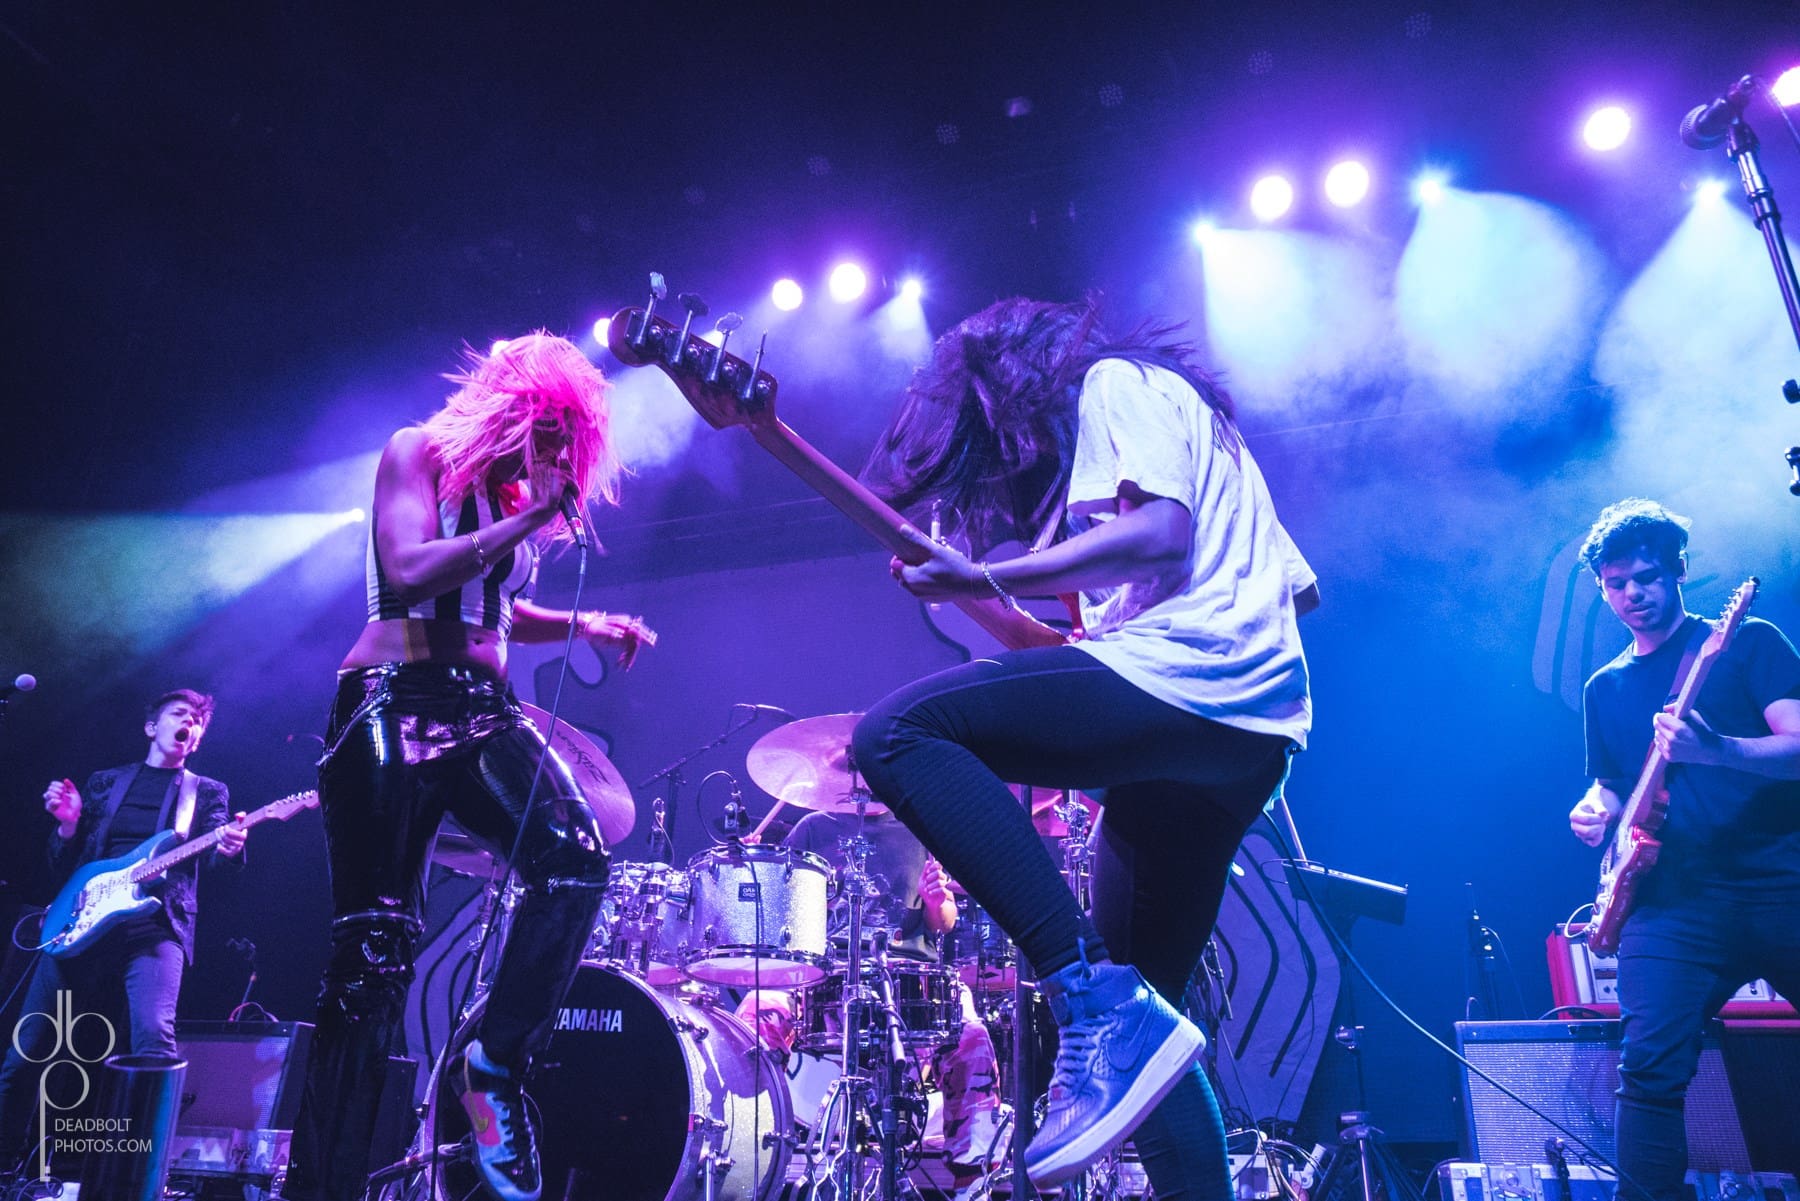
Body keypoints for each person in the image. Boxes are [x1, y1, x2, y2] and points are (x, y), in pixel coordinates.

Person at [849, 297, 1316, 1196]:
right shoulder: (1201, 440)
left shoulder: (1119, 380)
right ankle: (1117, 1013)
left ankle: (1084, 991)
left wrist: (985, 572)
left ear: (1012, 387)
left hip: (1193, 686)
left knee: (897, 733)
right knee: (1153, 1040)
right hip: (1241, 735)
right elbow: (1294, 591)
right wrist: (974, 592)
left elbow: (1161, 539)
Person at [282, 333, 657, 1201]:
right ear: (510, 407)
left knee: (575, 857)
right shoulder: (417, 452)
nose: (555, 454)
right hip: (390, 699)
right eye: (548, 430)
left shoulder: (508, 500)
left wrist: (582, 622)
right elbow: (412, 569)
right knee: (374, 952)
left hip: (484, 709)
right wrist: (523, 521)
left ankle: (494, 1064)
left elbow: (493, 605)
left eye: (569, 440)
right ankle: (325, 1186)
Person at [1567, 498, 1800, 1201]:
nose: (1632, 594)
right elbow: (1616, 784)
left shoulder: (1746, 642)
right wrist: (1594, 809)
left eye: (1645, 577)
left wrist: (1718, 749)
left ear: (1679, 570)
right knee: (1648, 1073)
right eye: (1615, 584)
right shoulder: (1605, 687)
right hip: (1672, 904)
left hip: (1780, 881)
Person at [0, 689, 245, 1180]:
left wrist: (232, 846)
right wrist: (68, 826)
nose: (190, 722)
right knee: (28, 1051)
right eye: (179, 714)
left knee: (154, 1042)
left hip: (154, 925)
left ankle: (144, 1179)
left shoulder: (206, 792)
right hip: (81, 921)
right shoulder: (105, 782)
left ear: (197, 739)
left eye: (198, 720)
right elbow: (64, 866)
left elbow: (218, 856)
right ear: (152, 727)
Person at [737, 805, 1004, 1185]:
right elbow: (781, 907)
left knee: (971, 1038)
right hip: (824, 973)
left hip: (909, 976)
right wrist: (755, 872)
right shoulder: (814, 828)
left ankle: (972, 1182)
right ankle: (749, 1159)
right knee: (756, 1014)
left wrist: (935, 902)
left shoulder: (921, 827)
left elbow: (944, 921)